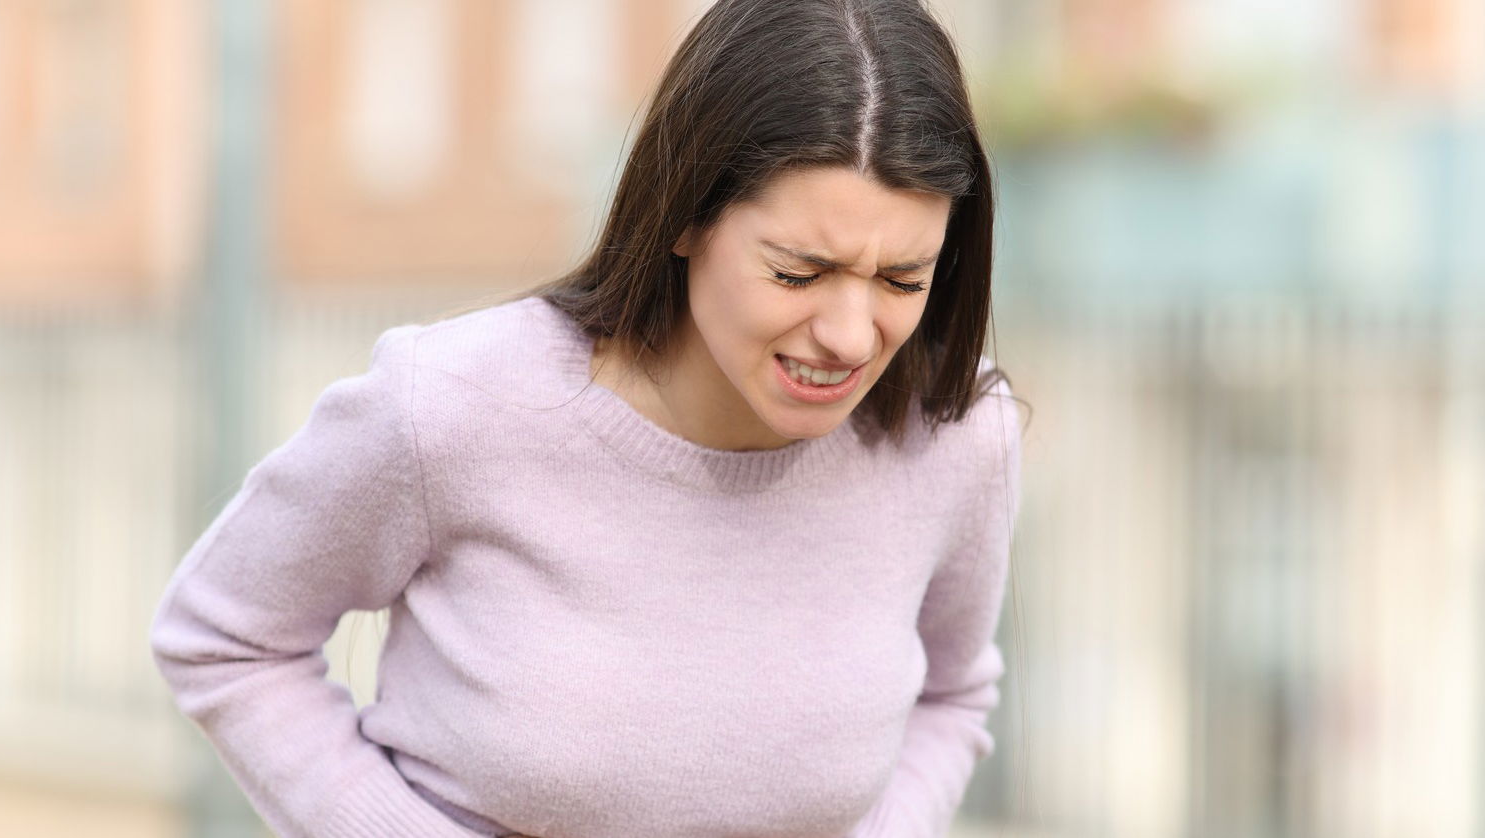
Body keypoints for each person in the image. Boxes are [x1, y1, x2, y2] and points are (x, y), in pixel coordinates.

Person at [148, 0, 1026, 836]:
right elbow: (225, 636)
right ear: (685, 214)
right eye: (798, 273)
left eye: (903, 281)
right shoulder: (454, 402)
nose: (848, 335)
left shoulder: (954, 439)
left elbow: (951, 697)